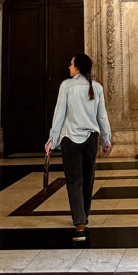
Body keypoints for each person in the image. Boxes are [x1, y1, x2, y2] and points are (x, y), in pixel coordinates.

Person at [45, 53, 111, 242]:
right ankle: (84, 215)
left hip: (70, 140)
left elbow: (59, 115)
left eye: (71, 64)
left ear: (78, 68)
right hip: (91, 139)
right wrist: (107, 139)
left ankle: (79, 224)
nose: (68, 67)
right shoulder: (96, 88)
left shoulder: (66, 86)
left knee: (74, 181)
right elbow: (102, 117)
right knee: (88, 178)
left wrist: (52, 139)